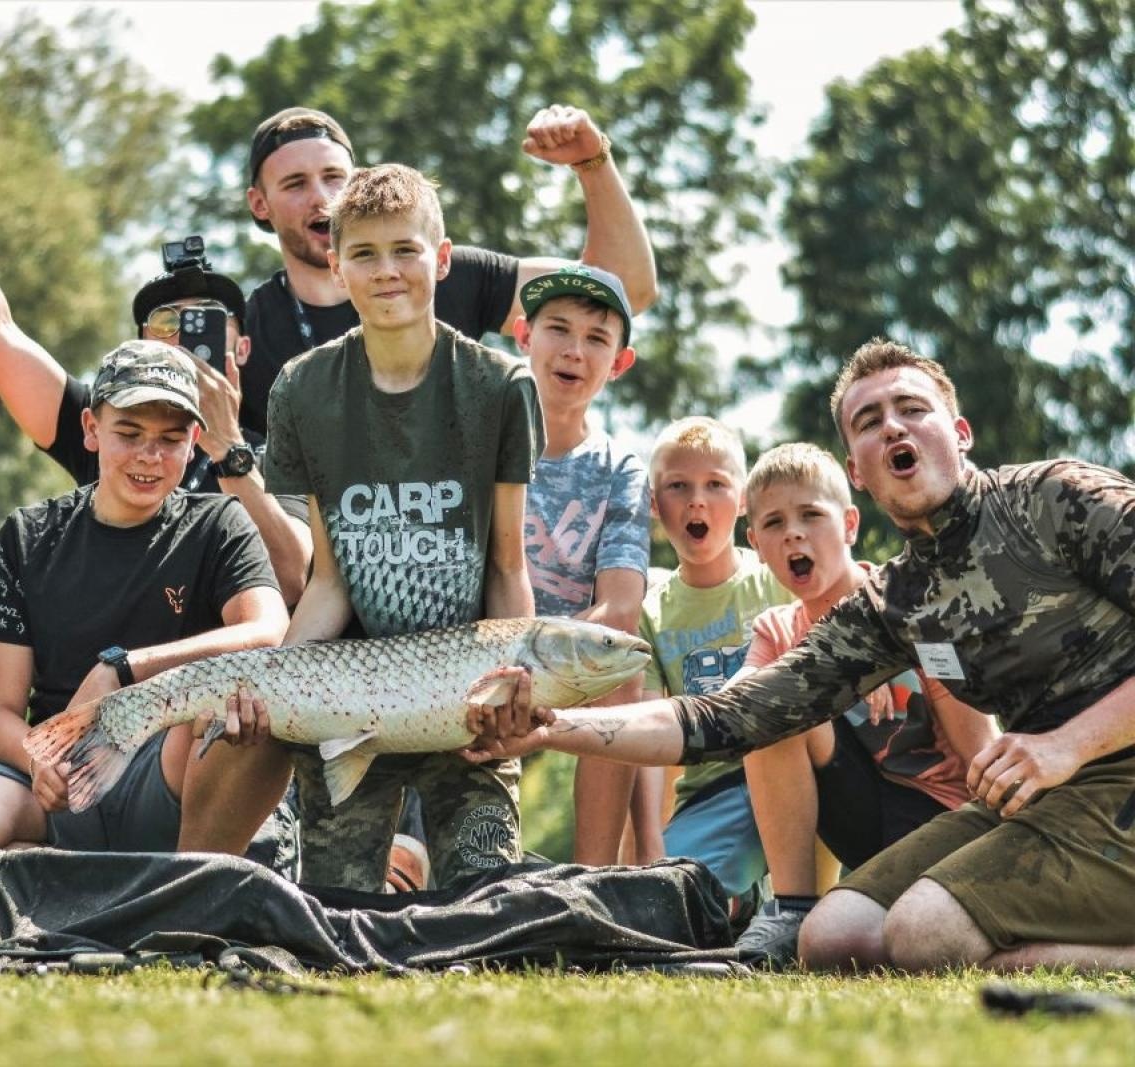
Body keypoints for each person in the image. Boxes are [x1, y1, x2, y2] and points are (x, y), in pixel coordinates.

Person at [467, 339, 1135, 972]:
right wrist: (554, 725)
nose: (894, 428)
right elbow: (737, 714)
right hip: (1037, 798)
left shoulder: (1055, 499)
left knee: (920, 934)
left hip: (1113, 778)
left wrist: (1068, 744)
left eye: (913, 409)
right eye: (869, 421)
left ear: (959, 434)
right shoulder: (898, 600)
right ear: (858, 471)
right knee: (833, 937)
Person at [0, 342, 295, 912]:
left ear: (194, 442)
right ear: (90, 427)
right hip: (58, 784)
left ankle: (184, 904)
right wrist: (40, 763)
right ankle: (116, 903)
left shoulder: (219, 521)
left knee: (242, 712)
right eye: (129, 433)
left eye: (171, 439)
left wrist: (122, 666)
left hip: (169, 777)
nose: (149, 457)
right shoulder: (30, 535)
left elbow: (267, 633)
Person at [261, 163, 544, 891]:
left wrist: (515, 693)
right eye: (364, 253)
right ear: (336, 262)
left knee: (486, 903)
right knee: (329, 909)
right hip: (352, 698)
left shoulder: (501, 386)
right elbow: (329, 580)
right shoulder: (302, 389)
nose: (386, 271)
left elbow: (507, 568)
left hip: (467, 701)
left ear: (441, 260)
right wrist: (274, 685)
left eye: (405, 250)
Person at [0, 118, 311, 602]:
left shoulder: (278, 453)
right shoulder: (103, 430)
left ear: (242, 348)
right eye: (163, 324)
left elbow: (293, 582)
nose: (183, 335)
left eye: (206, 321)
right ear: (140, 345)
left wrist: (229, 450)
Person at [730, 442, 997, 966]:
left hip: (942, 820)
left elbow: (982, 748)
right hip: (861, 821)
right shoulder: (777, 629)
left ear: (850, 525)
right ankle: (792, 910)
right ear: (756, 543)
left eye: (812, 515)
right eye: (775, 523)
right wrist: (843, 671)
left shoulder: (911, 609)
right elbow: (736, 705)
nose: (794, 533)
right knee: (770, 708)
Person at [238, 104, 658, 436]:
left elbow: (624, 289)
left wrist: (592, 163)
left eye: (334, 177)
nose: (323, 199)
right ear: (259, 203)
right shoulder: (246, 335)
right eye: (295, 184)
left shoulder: (439, 275)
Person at [512, 265, 651, 866]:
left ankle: (592, 876)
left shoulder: (622, 468)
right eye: (558, 329)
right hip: (478, 645)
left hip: (565, 658)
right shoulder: (480, 438)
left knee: (624, 660)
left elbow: (620, 603)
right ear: (524, 336)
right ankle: (408, 860)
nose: (574, 351)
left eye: (597, 338)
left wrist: (536, 660)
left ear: (619, 363)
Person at [637, 417, 793, 917]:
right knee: (671, 900)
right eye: (678, 486)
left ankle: (794, 897)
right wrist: (647, 850)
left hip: (790, 765)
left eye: (716, 485)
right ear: (654, 503)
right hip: (710, 791)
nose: (696, 501)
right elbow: (649, 744)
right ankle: (743, 901)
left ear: (744, 498)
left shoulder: (775, 577)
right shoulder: (649, 614)